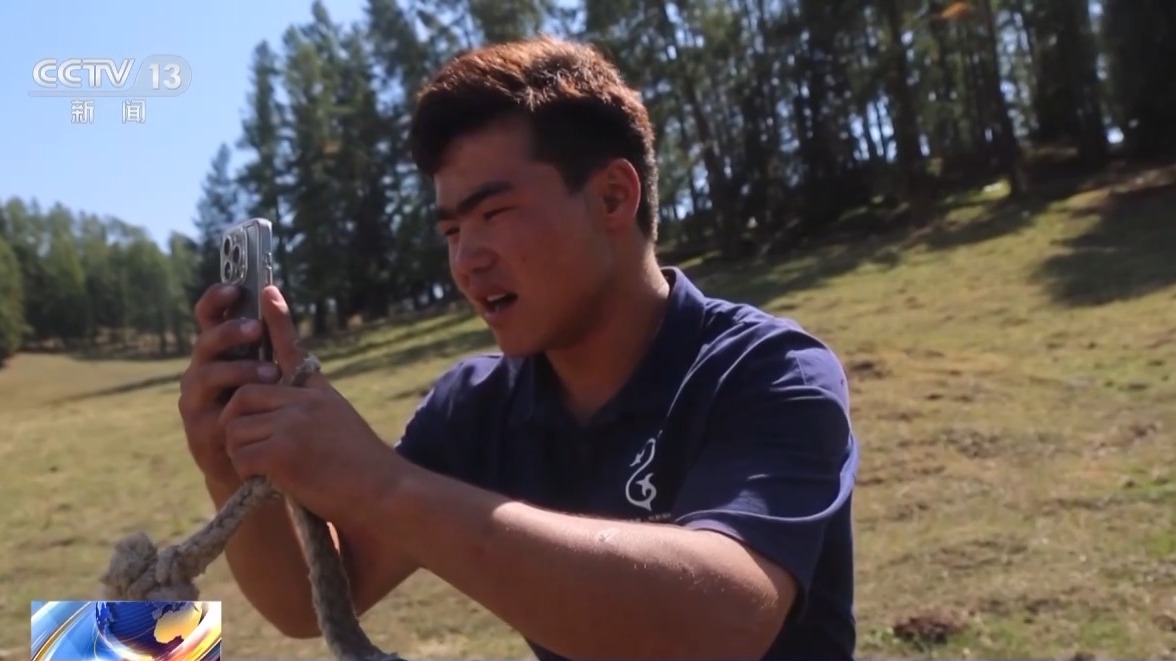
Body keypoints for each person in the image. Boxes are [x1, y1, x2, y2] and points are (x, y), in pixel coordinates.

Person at [178, 35, 859, 661]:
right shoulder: (477, 408)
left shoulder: (769, 371)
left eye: (494, 214)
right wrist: (230, 467)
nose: (467, 260)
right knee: (137, 643)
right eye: (452, 231)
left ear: (613, 197)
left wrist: (382, 485)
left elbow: (723, 621)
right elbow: (313, 602)